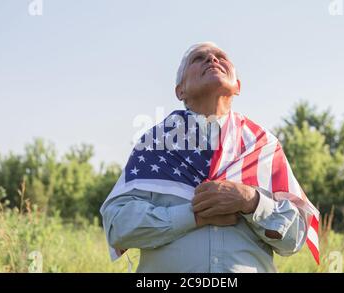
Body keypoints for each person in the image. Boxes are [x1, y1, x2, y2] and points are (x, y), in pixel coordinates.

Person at [100, 42, 319, 273]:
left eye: (220, 57)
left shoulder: (263, 147)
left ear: (238, 86)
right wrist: (193, 216)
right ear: (180, 90)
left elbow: (294, 240)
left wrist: (251, 201)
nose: (212, 60)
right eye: (199, 58)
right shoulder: (155, 145)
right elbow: (118, 227)